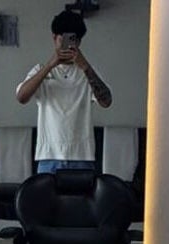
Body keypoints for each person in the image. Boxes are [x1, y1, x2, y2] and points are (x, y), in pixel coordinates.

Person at [16, 9, 112, 174]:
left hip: (82, 156)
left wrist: (84, 65)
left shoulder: (88, 72)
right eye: (63, 39)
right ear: (54, 38)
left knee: (82, 201)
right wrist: (50, 65)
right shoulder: (41, 70)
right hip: (48, 156)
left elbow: (106, 102)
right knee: (45, 201)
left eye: (73, 40)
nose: (68, 45)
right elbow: (21, 97)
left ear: (79, 42)